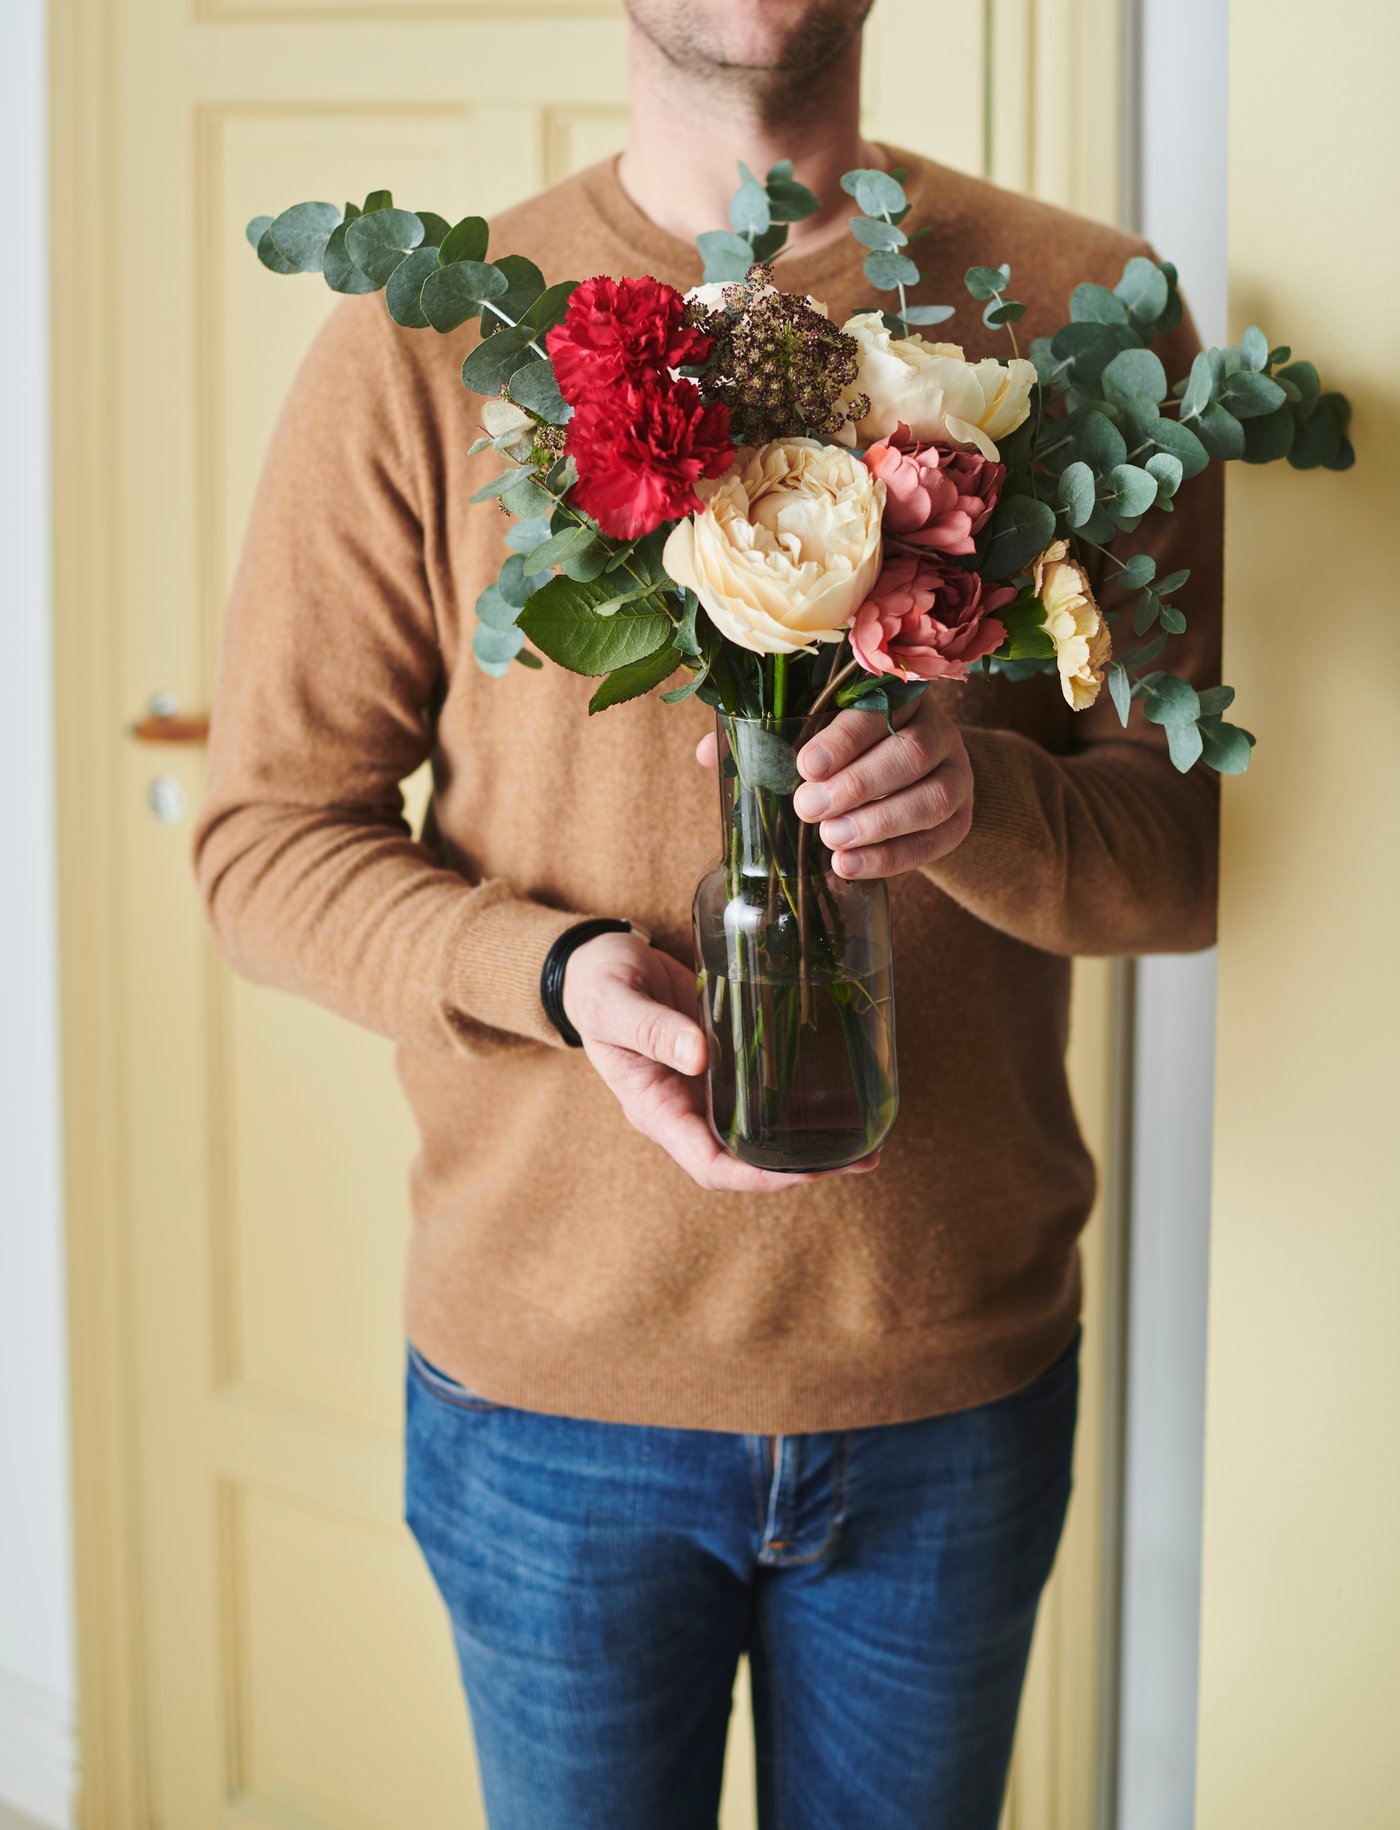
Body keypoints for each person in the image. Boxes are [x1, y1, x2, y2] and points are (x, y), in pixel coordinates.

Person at [192, 2, 1222, 1824]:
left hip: (948, 1394)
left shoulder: (1088, 308)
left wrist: (984, 808)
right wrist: (554, 971)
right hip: (546, 1407)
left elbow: (1186, 855)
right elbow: (265, 842)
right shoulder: (426, 342)